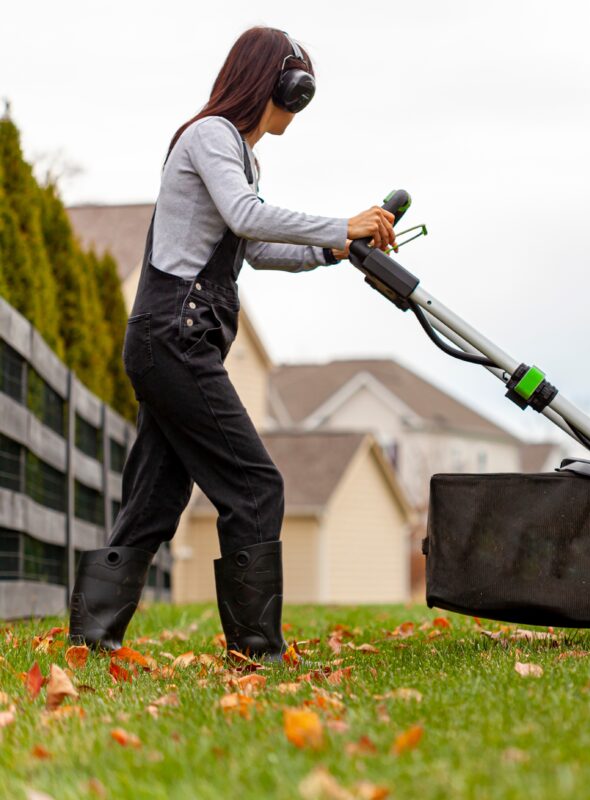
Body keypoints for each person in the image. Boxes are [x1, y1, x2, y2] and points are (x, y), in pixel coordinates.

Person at [67, 27, 397, 660]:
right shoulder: (210, 136)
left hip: (179, 341)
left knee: (155, 497)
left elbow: (259, 245)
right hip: (175, 338)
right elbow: (247, 216)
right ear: (271, 83)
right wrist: (338, 221)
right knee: (255, 485)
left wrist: (339, 247)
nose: (298, 105)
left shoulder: (241, 155)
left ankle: (91, 640)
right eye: (296, 89)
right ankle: (256, 650)